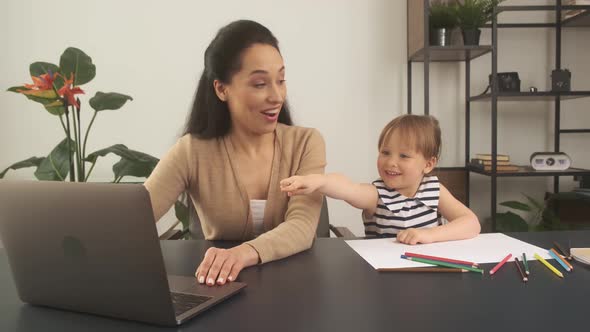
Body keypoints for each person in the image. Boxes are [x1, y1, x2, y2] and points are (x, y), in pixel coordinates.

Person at [145, 20, 326, 287]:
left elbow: (302, 226)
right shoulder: (191, 150)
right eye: (260, 84)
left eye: (281, 80)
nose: (277, 96)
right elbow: (136, 218)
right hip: (217, 287)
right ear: (221, 89)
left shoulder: (306, 142)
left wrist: (243, 253)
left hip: (296, 287)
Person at [280, 114, 480, 244]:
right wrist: (318, 181)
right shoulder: (377, 195)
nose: (391, 162)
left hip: (430, 270)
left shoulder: (434, 190)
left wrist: (428, 235)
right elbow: (347, 188)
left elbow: (471, 223)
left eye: (404, 156)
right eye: (385, 152)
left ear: (428, 164)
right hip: (384, 275)